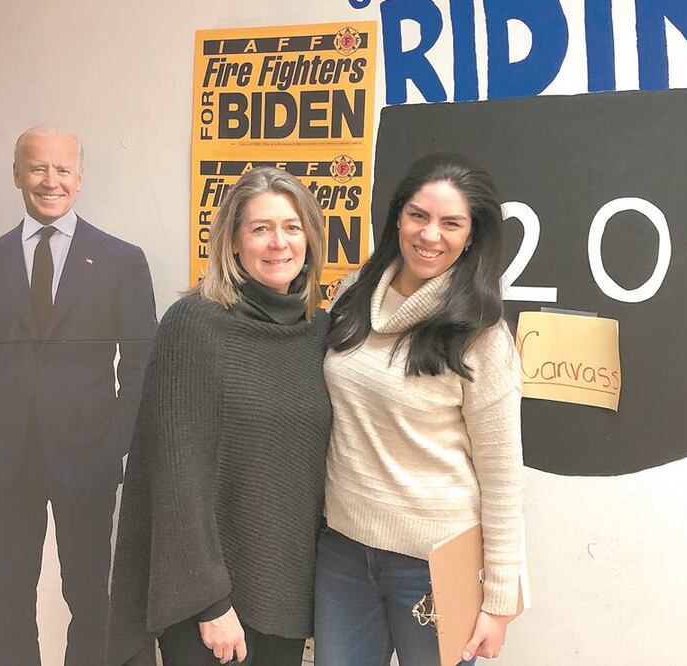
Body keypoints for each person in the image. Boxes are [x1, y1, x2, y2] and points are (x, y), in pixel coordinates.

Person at [0, 125, 157, 666]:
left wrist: (117, 444)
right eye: (37, 168)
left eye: (62, 169)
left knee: (89, 598)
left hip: (88, 456)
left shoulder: (121, 259)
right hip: (3, 460)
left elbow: (141, 364)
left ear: (80, 179)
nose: (50, 180)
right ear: (17, 174)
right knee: (8, 599)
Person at [107, 166, 332, 666]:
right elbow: (176, 475)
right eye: (260, 228)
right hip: (211, 601)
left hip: (287, 592)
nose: (279, 243)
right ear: (232, 242)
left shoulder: (321, 332)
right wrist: (209, 602)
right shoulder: (194, 325)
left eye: (292, 227)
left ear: (310, 238)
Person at [314, 153, 524, 666]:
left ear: (472, 236)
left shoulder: (480, 334)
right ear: (398, 218)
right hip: (342, 550)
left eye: (451, 223)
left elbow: (501, 475)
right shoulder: (352, 295)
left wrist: (498, 603)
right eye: (418, 216)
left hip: (434, 562)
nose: (431, 234)